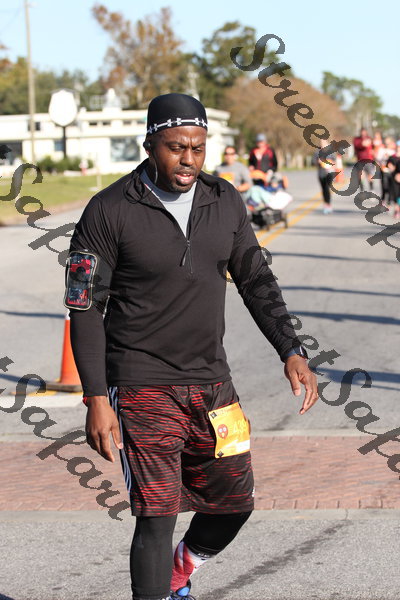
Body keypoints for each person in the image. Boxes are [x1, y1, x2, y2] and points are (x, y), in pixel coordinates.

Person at [65, 93, 318, 600]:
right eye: (175, 147)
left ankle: (180, 571)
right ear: (149, 145)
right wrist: (95, 397)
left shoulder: (224, 199)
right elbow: (85, 306)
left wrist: (290, 349)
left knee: (235, 502)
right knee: (157, 516)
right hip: (141, 385)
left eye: (198, 148)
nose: (188, 160)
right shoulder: (108, 209)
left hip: (212, 384)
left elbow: (256, 279)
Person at [314, 139, 338, 214]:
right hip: (321, 173)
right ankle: (326, 204)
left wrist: (330, 163)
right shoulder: (317, 152)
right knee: (324, 189)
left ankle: (328, 204)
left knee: (327, 188)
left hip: (329, 173)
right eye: (321, 143)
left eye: (324, 142)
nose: (322, 144)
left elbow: (334, 161)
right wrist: (318, 161)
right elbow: (313, 161)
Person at [387, 140, 400, 219]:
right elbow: (388, 166)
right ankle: (397, 210)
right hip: (394, 179)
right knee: (396, 195)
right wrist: (391, 168)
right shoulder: (392, 157)